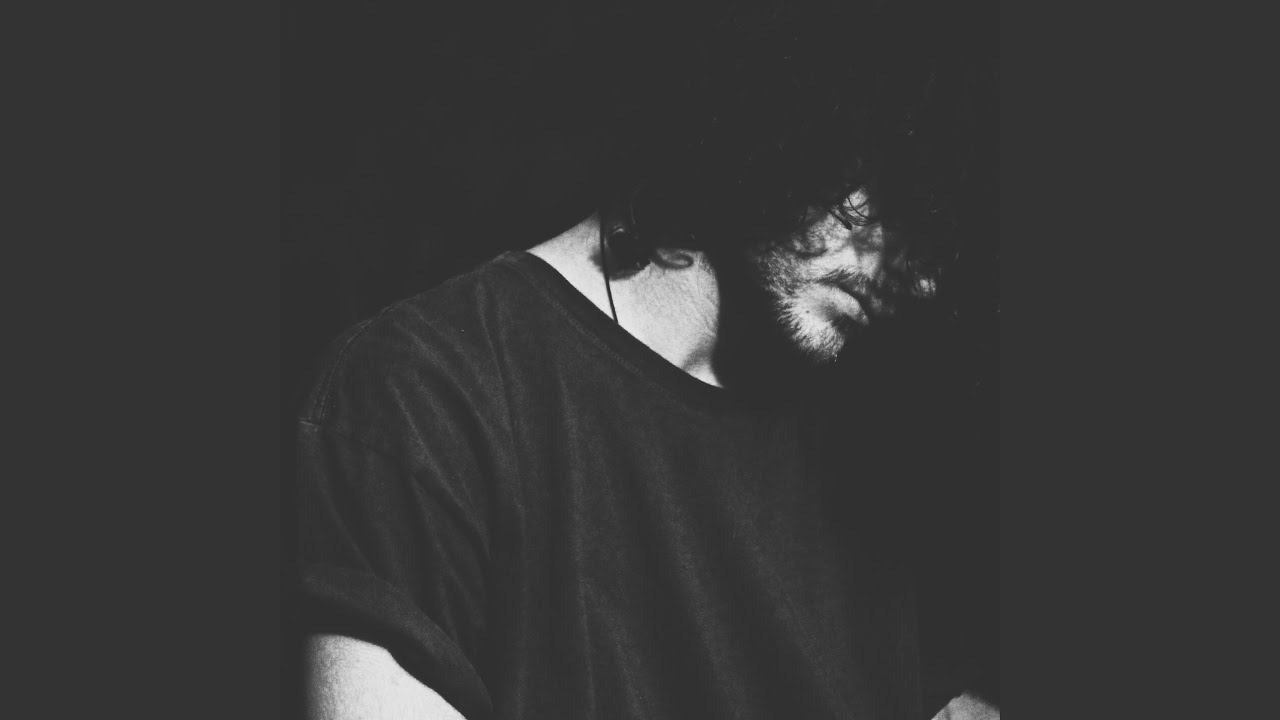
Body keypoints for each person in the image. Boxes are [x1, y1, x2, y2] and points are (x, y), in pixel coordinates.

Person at [291, 1, 998, 718]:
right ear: (789, 105)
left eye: (941, 229)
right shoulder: (422, 396)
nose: (919, 278)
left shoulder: (887, 452)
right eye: (898, 195)